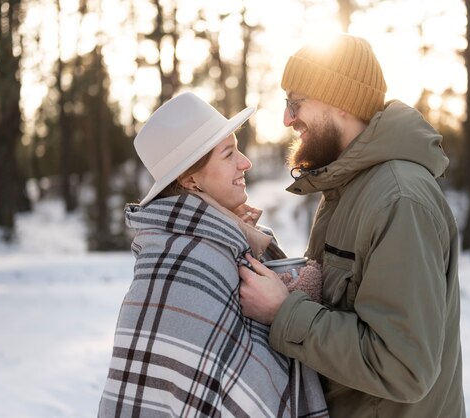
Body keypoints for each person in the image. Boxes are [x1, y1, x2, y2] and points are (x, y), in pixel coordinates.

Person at [238, 33, 466, 418]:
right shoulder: (348, 189)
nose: (287, 119)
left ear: (339, 100)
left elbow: (403, 367)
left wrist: (283, 313)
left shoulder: (398, 200)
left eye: (295, 103)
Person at [98, 92, 328, 417]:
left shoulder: (218, 241)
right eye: (228, 154)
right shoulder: (192, 260)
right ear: (190, 179)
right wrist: (298, 297)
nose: (245, 162)